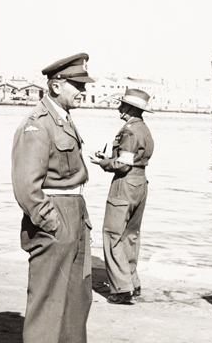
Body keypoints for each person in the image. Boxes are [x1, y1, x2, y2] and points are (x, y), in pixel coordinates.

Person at [11, 53, 94, 343]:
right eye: (77, 84)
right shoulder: (38, 124)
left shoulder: (64, 119)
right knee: (48, 305)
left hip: (76, 214)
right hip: (56, 218)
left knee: (76, 301)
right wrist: (53, 224)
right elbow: (26, 187)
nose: (83, 90)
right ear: (56, 86)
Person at [90, 89, 154, 304]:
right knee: (131, 236)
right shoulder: (144, 130)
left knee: (112, 234)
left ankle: (121, 289)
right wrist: (111, 157)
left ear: (131, 109)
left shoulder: (128, 131)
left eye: (123, 105)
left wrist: (103, 162)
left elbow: (123, 165)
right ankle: (132, 283)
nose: (119, 108)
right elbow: (132, 159)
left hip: (124, 185)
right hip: (140, 183)